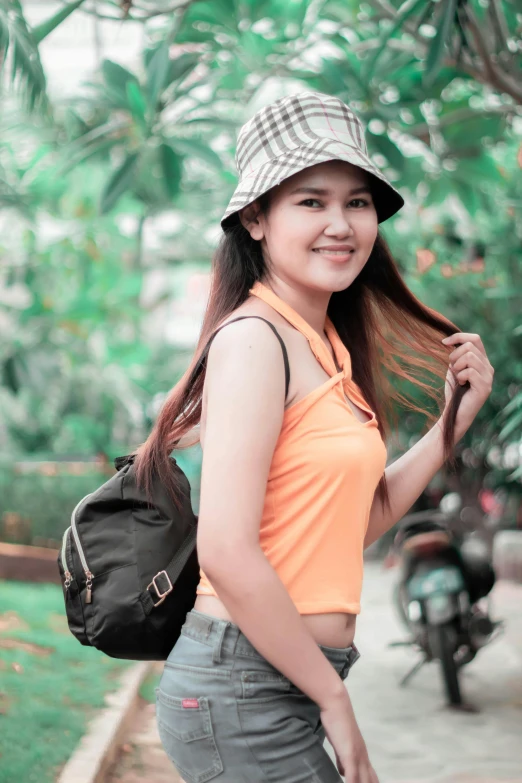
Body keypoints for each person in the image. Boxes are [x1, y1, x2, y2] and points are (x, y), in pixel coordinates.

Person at [134, 92, 494, 783]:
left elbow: (353, 525)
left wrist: (454, 422)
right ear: (255, 217)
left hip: (276, 683)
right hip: (242, 687)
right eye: (311, 201)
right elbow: (227, 550)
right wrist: (335, 699)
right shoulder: (254, 341)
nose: (341, 223)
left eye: (357, 202)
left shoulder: (324, 346)